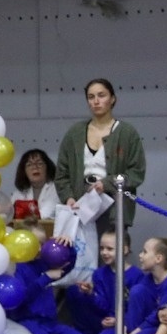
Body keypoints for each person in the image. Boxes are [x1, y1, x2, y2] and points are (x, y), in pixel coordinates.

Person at [54, 79, 144, 234]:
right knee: (82, 257)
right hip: (80, 205)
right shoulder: (74, 133)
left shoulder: (127, 133)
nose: (96, 101)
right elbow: (62, 173)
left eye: (101, 95)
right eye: (91, 97)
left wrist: (107, 183)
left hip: (114, 207)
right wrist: (68, 197)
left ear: (112, 99)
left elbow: (136, 173)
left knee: (109, 256)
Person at [67, 229, 144, 334]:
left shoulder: (137, 275)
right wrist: (91, 294)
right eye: (102, 248)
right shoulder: (99, 274)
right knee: (74, 291)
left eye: (109, 249)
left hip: (124, 322)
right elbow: (104, 305)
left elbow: (137, 310)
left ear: (124, 250)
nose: (104, 252)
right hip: (104, 319)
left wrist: (119, 320)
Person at [10, 148, 58, 222]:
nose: (35, 167)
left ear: (47, 168)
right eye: (29, 165)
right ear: (24, 171)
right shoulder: (19, 192)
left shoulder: (56, 189)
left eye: (39, 163)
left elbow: (45, 214)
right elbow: (11, 214)